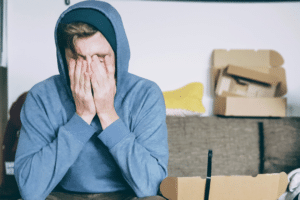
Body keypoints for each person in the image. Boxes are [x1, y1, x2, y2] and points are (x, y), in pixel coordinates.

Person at [14, 1, 169, 200]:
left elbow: (151, 186)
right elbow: (30, 190)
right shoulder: (42, 96)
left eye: (101, 57)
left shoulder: (145, 94)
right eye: (78, 58)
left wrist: (107, 114)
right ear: (63, 58)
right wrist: (82, 116)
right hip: (62, 196)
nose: (89, 70)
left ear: (118, 54)